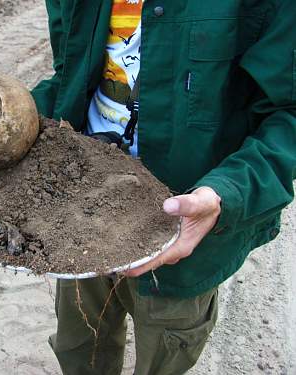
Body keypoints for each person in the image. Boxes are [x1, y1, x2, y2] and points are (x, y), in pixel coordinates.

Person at [31, 0, 296, 374]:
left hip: (183, 237)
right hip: (79, 215)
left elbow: (287, 115)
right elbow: (69, 77)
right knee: (80, 350)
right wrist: (15, 114)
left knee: (164, 358)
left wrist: (226, 194)